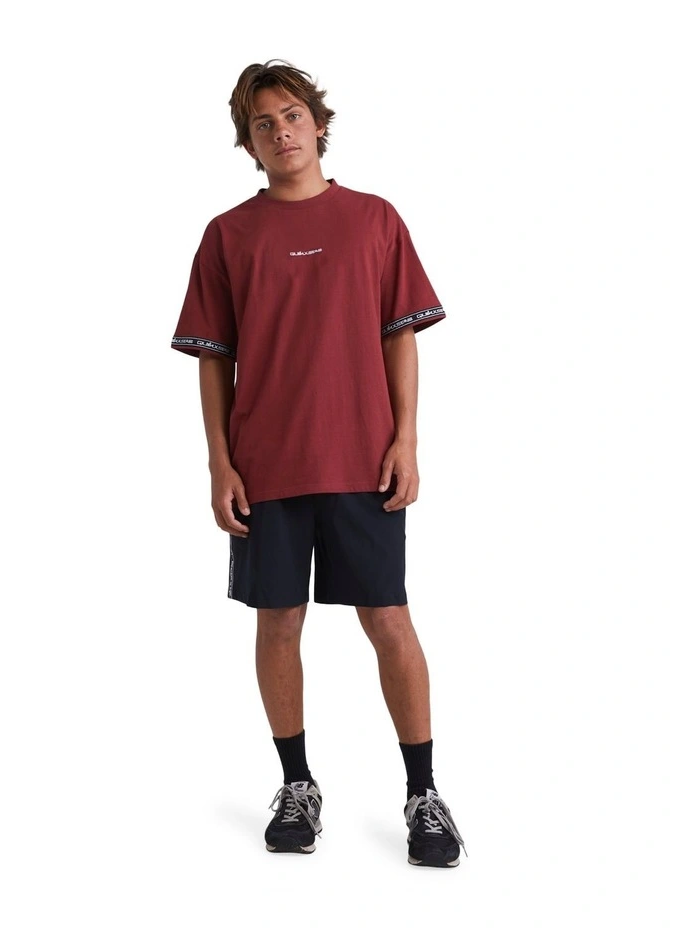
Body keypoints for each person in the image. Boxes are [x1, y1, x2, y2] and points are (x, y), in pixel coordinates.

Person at [171, 59, 466, 868]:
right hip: (266, 464)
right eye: (263, 124)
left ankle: (424, 793)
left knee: (389, 618)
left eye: (293, 115)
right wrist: (219, 463)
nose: (282, 131)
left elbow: (399, 336)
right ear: (249, 144)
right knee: (278, 620)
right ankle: (297, 784)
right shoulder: (228, 235)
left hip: (363, 459)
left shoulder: (374, 219)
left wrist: (406, 440)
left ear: (319, 123)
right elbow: (213, 357)